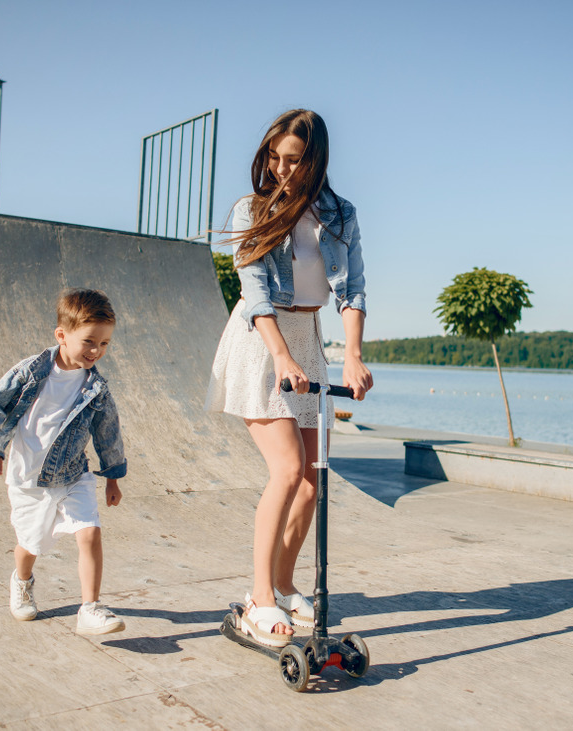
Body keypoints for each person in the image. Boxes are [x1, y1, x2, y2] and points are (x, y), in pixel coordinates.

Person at [206, 109, 373, 647]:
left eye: (293, 160)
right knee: (286, 469)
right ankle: (258, 598)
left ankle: (283, 582)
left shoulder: (340, 215)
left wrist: (351, 354)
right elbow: (255, 292)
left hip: (308, 340)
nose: (280, 169)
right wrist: (280, 356)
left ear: (316, 160)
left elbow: (352, 290)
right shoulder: (251, 209)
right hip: (263, 341)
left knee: (311, 480)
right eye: (274, 157)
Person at [0, 288, 127, 635]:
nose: (96, 351)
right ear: (62, 335)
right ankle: (23, 579)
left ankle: (90, 607)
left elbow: (108, 433)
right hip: (28, 479)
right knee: (31, 545)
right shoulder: (31, 372)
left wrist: (113, 477)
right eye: (89, 341)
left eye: (104, 344)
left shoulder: (97, 388)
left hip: (74, 475)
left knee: (90, 534)